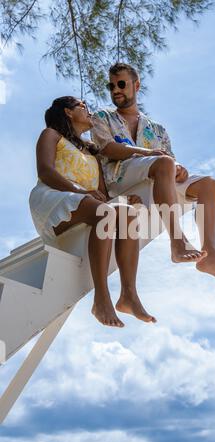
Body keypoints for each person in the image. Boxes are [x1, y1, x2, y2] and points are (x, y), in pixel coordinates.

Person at [91, 63, 215, 282]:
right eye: (111, 85)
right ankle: (177, 242)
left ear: (136, 85)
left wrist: (178, 168)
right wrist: (150, 154)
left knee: (209, 184)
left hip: (157, 177)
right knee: (162, 164)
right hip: (121, 178)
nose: (116, 90)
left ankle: (211, 256)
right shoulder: (102, 117)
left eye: (121, 84)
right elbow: (107, 148)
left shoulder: (157, 129)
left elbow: (168, 159)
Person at [29, 96, 157, 328]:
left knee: (127, 213)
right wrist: (81, 191)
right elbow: (45, 171)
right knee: (105, 213)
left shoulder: (92, 153)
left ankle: (129, 294)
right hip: (54, 197)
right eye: (83, 106)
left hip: (84, 201)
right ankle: (101, 298)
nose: (89, 111)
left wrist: (124, 199)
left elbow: (103, 197)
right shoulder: (51, 135)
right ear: (68, 112)